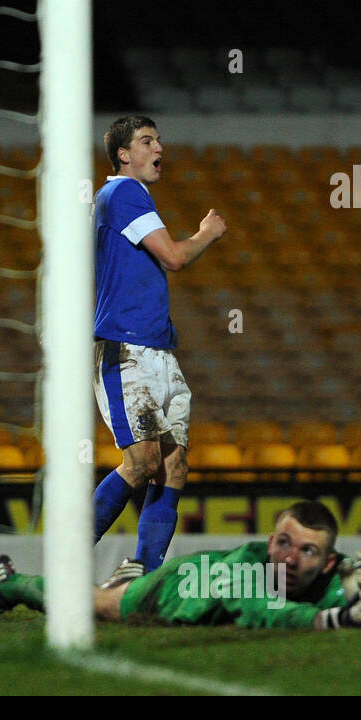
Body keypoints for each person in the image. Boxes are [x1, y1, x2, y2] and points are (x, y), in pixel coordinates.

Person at [90, 115, 227, 587]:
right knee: (143, 460)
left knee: (172, 464)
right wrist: (208, 231)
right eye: (146, 141)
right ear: (123, 154)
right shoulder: (122, 192)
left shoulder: (130, 198)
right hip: (126, 349)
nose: (158, 147)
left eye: (159, 139)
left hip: (159, 350)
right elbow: (174, 257)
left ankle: (143, 576)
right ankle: (67, 558)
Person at [0, 501, 361, 630]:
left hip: (199, 584)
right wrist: (337, 622)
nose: (291, 558)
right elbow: (264, 611)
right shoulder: (247, 570)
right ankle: (11, 583)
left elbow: (354, 607)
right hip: (180, 588)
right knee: (96, 606)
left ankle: (126, 576)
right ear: (269, 541)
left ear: (330, 562)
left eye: (308, 551)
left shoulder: (335, 574)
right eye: (283, 543)